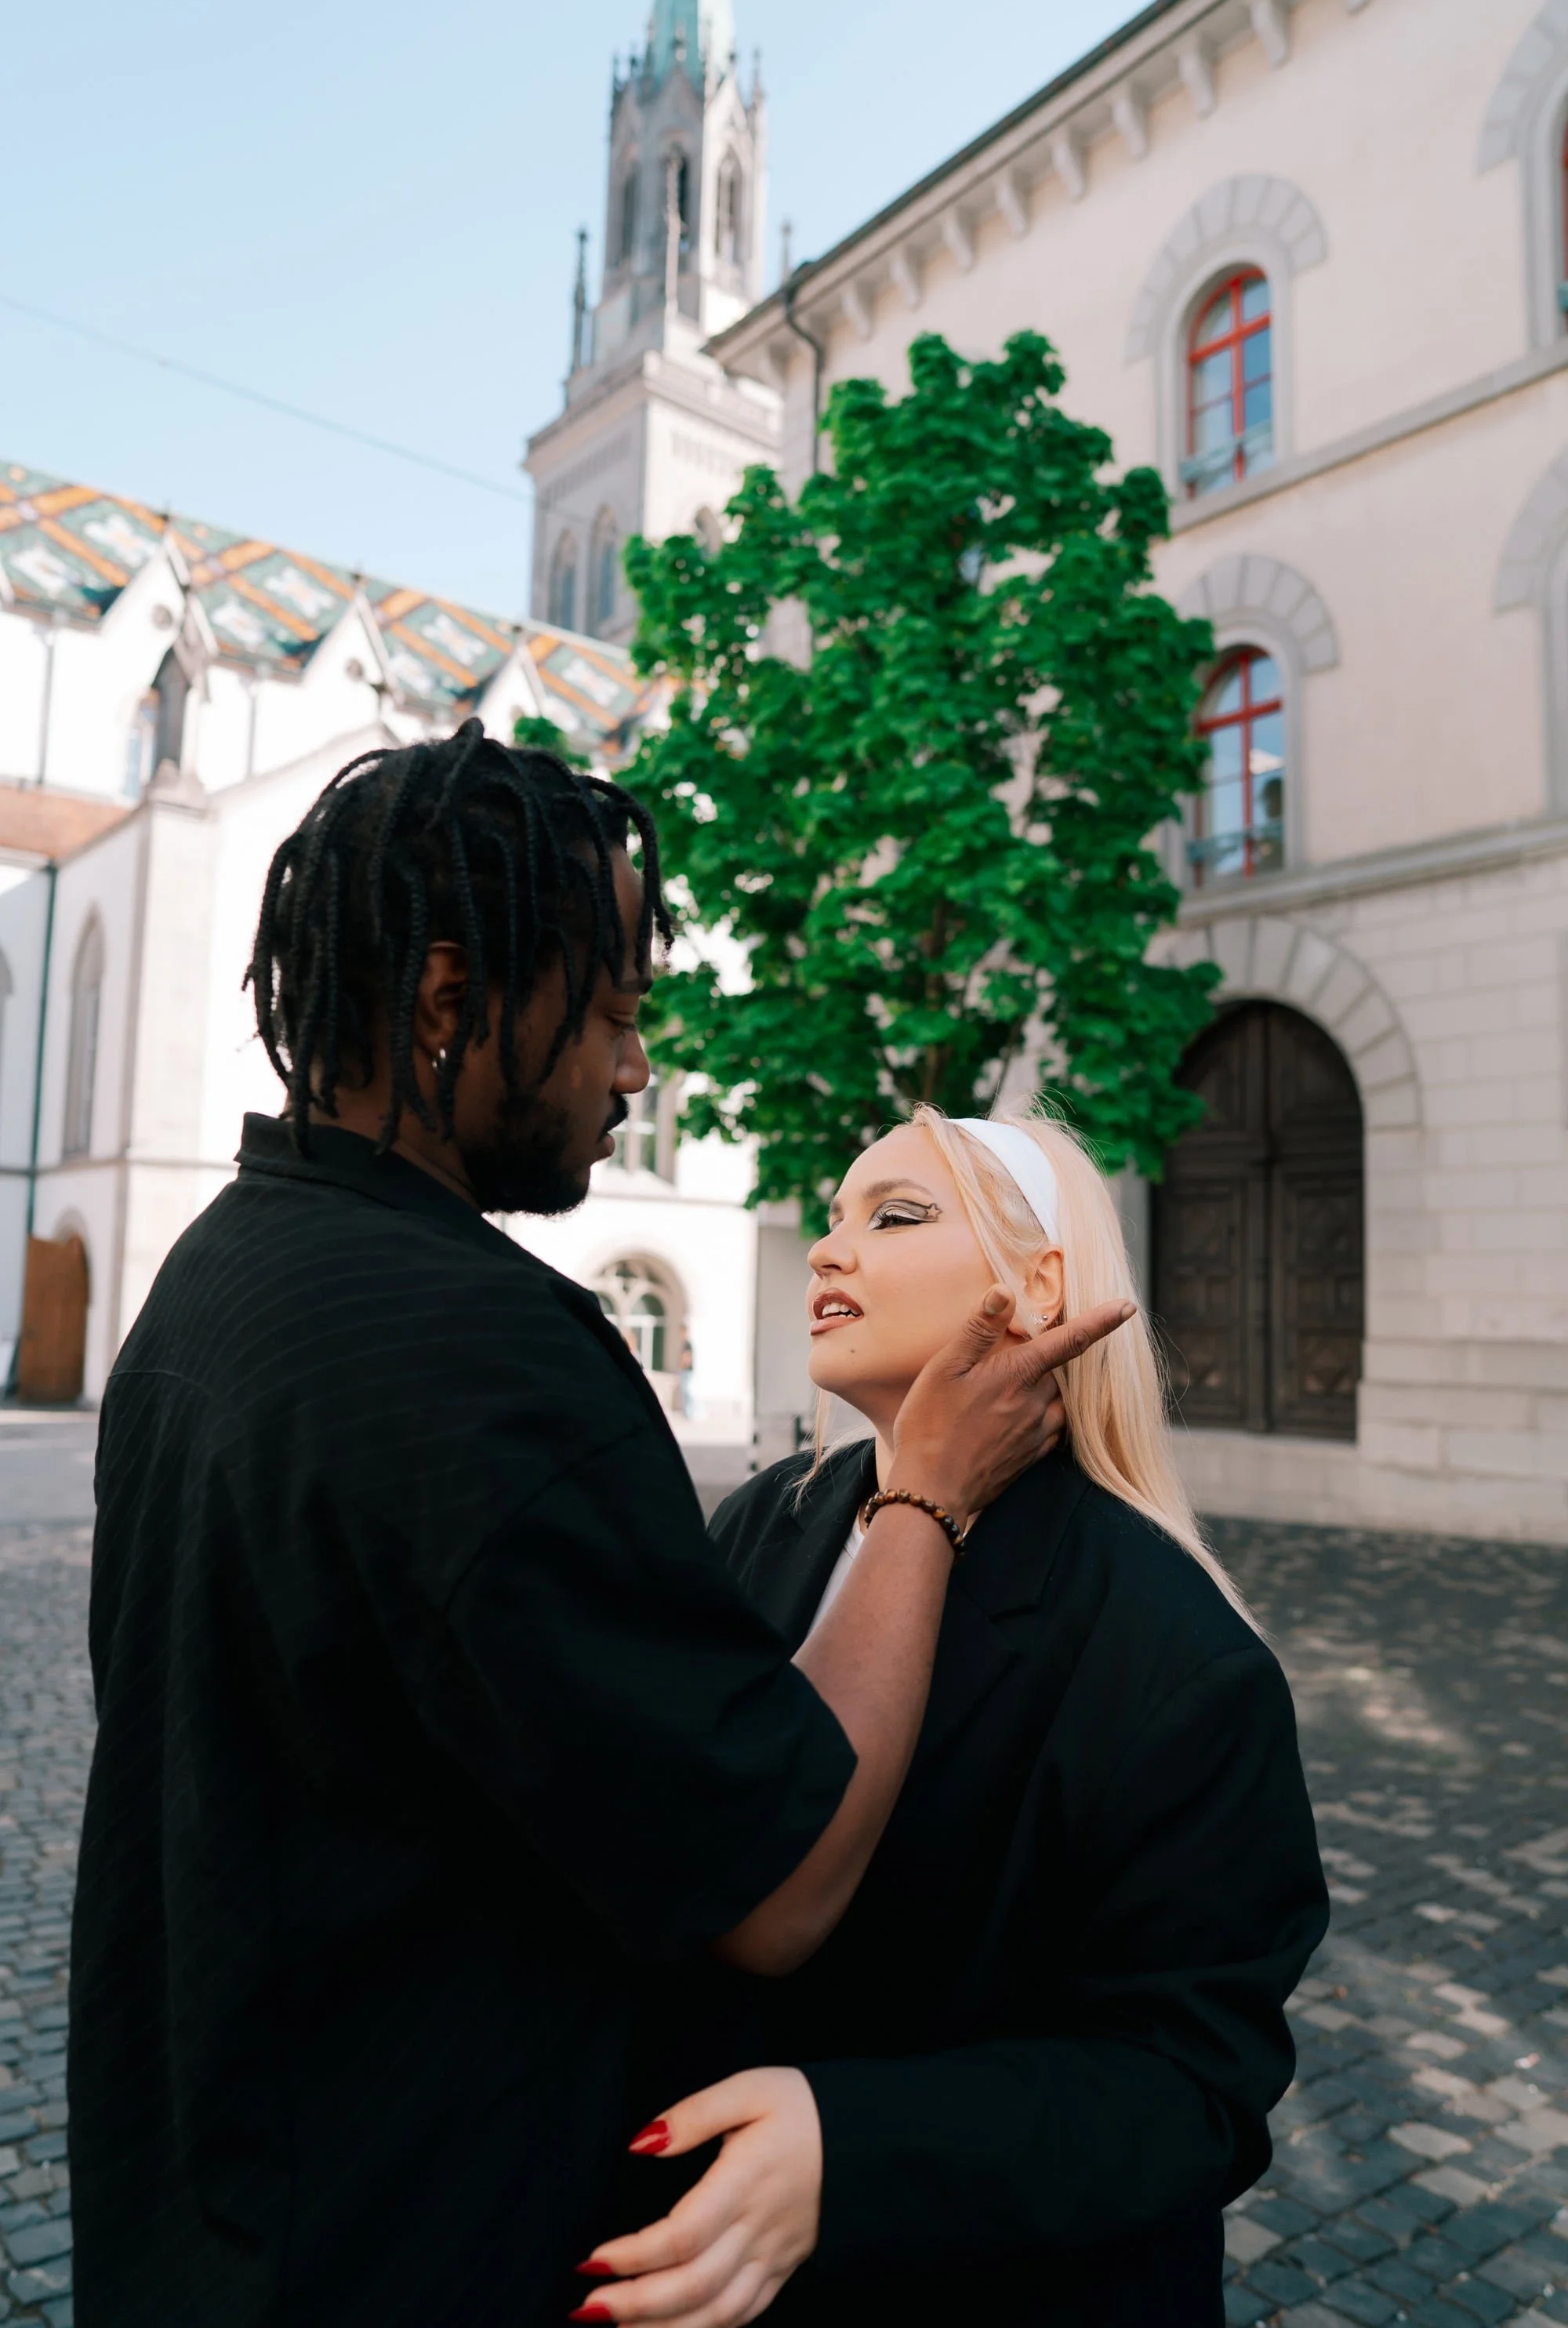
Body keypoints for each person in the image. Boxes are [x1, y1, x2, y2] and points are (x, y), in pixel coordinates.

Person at [66, 727, 1131, 2328]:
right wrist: (925, 1491)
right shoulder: (475, 1353)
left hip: (212, 2216)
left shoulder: (220, 1277)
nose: (634, 1072)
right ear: (446, 1002)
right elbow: (775, 1891)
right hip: (403, 2247)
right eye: (616, 1015)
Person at [578, 1108, 1330, 2328]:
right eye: (833, 1218)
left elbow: (1191, 2086)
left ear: (1039, 1288)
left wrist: (854, 2150)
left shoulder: (1177, 1652)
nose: (828, 1250)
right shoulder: (763, 1519)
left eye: (895, 1216)